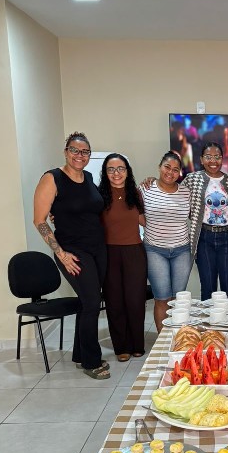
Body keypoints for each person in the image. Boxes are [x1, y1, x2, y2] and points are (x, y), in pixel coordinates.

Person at [33, 132, 109, 379]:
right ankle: (91, 361)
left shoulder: (88, 178)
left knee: (88, 302)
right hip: (72, 251)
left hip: (97, 248)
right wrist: (61, 254)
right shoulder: (52, 178)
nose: (79, 155)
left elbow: (90, 211)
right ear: (66, 151)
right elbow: (40, 220)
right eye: (74, 150)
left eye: (85, 152)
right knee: (92, 302)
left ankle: (79, 354)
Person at [98, 153, 147, 361]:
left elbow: (144, 220)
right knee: (115, 301)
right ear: (105, 173)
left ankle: (137, 344)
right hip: (108, 253)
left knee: (135, 300)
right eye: (111, 169)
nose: (116, 173)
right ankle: (121, 347)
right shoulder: (98, 195)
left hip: (134, 252)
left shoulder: (135, 194)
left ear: (127, 171)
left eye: (120, 168)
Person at [181, 141, 228, 300]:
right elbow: (177, 195)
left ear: (222, 159)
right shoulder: (192, 179)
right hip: (204, 238)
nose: (213, 161)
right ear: (201, 159)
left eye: (217, 157)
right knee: (208, 288)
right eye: (208, 157)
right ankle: (208, 317)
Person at [140, 152, 192, 331]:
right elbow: (135, 213)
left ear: (180, 173)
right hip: (154, 251)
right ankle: (163, 340)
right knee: (162, 298)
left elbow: (194, 216)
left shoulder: (186, 192)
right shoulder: (145, 189)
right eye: (167, 167)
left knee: (178, 299)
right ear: (159, 167)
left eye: (175, 170)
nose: (170, 172)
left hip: (182, 251)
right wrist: (152, 225)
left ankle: (177, 337)